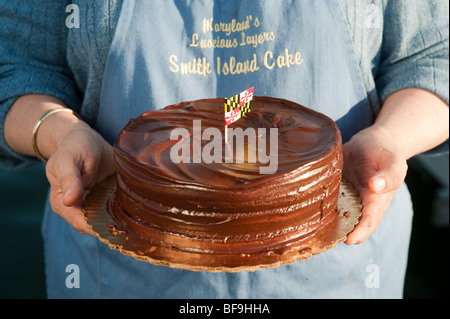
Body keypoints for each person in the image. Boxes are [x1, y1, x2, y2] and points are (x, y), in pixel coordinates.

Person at [0, 0, 448, 299]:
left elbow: (434, 56)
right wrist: (56, 131)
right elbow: (17, 63)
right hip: (118, 277)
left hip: (337, 276)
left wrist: (390, 137)